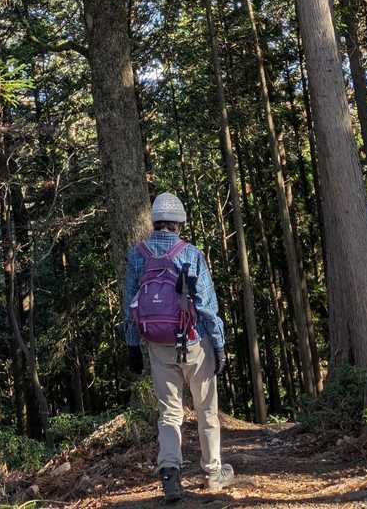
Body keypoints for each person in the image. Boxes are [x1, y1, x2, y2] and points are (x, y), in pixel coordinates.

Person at [122, 192, 235, 502]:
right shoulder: (191, 254)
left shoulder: (136, 254)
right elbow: (207, 306)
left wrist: (132, 346)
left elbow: (130, 304)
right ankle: (213, 473)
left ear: (155, 222)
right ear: (179, 223)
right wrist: (219, 345)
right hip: (195, 341)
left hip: (158, 344)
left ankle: (170, 474)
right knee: (206, 409)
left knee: (169, 413)